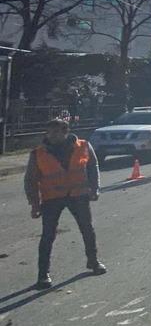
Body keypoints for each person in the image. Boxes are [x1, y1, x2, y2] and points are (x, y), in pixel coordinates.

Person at [25, 118, 107, 289]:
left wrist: (95, 188)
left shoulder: (83, 146)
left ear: (65, 131)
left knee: (87, 228)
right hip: (51, 199)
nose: (52, 135)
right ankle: (43, 275)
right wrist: (34, 204)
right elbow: (30, 180)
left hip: (78, 195)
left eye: (56, 132)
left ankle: (93, 261)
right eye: (49, 132)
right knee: (48, 235)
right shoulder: (38, 153)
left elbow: (93, 166)